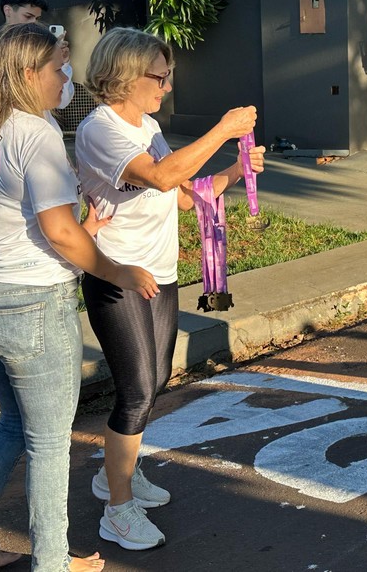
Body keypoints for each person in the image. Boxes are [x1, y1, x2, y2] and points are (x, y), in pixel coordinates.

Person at [75, 27, 265, 551]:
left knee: (155, 380)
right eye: (159, 76)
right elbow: (159, 177)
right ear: (126, 75)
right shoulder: (101, 130)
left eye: (168, 75)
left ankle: (115, 475)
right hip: (117, 273)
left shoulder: (149, 126)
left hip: (159, 271)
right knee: (135, 391)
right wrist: (224, 130)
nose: (166, 85)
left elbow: (183, 195)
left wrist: (235, 168)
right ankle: (116, 510)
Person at [0, 23, 159, 570]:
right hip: (36, 303)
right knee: (51, 443)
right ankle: (53, 562)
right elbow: (59, 231)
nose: (68, 77)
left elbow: (20, 219)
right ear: (30, 74)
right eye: (59, 67)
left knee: (12, 424)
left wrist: (86, 231)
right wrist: (118, 272)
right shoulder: (37, 133)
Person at [0, 0, 75, 113]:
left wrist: (60, 62)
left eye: (36, 18)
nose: (33, 23)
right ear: (8, 11)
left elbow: (62, 101)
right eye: (27, 16)